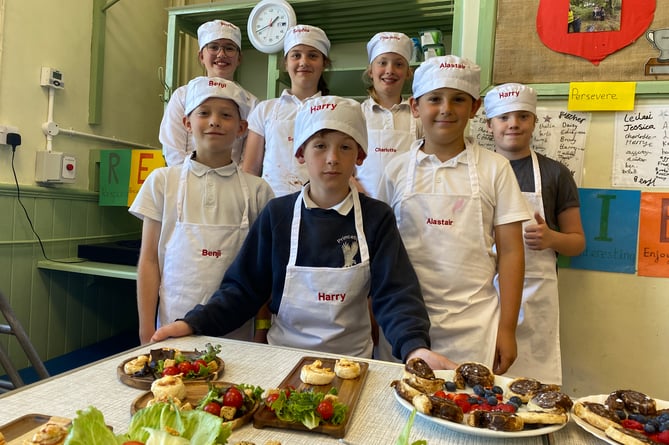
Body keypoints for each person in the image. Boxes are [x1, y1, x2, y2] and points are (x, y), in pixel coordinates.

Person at [152, 95, 457, 371]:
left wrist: (414, 347)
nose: (333, 158)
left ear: (360, 157)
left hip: (353, 365)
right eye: (320, 146)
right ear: (300, 154)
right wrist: (193, 324)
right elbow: (242, 290)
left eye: (345, 147)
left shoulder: (377, 217)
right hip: (283, 363)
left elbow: (396, 293)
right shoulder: (278, 215)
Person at [377, 55, 530, 374]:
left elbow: (512, 252)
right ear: (415, 107)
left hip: (475, 328)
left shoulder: (495, 168)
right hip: (402, 324)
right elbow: (378, 254)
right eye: (435, 99)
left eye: (458, 99)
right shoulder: (394, 171)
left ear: (474, 108)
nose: (446, 108)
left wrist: (507, 329)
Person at [130, 76, 274, 345]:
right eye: (204, 113)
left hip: (238, 335)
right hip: (170, 329)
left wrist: (261, 329)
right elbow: (149, 260)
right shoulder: (162, 182)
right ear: (187, 123)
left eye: (226, 115)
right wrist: (145, 330)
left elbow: (262, 273)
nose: (214, 121)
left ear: (242, 127)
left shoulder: (258, 191)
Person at [484, 83, 585, 384]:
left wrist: (551, 239)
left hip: (536, 298)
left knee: (534, 387)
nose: (513, 123)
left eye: (522, 116)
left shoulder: (555, 174)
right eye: (503, 118)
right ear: (489, 125)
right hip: (483, 293)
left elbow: (577, 242)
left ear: (534, 122)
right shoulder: (478, 171)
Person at [242, 24, 331, 197]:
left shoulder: (334, 109)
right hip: (271, 204)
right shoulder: (264, 110)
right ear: (286, 62)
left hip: (320, 205)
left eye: (312, 56)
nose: (303, 62)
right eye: (296, 55)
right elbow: (250, 170)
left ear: (324, 63)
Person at [160, 19, 258, 166]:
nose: (221, 54)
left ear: (239, 58)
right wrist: (191, 179)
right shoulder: (182, 96)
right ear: (201, 56)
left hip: (232, 183)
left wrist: (233, 183)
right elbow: (173, 149)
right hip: (187, 180)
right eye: (213, 47)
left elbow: (249, 159)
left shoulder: (252, 103)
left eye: (229, 48)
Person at [355, 31, 421, 198]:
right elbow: (346, 164)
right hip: (365, 208)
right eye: (382, 63)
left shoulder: (418, 116)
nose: (390, 70)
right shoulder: (357, 114)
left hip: (408, 207)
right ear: (370, 71)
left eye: (399, 64)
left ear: (408, 72)